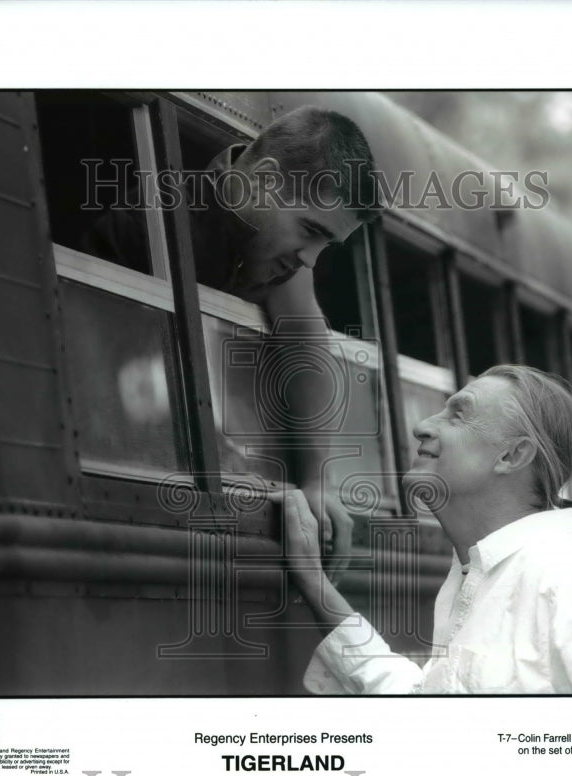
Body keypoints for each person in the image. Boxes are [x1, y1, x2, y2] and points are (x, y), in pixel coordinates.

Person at [83, 106, 382, 578]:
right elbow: (114, 385)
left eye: (327, 246)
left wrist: (316, 479)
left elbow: (307, 346)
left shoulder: (271, 252)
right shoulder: (150, 224)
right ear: (262, 180)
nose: (309, 260)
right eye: (310, 230)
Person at [283, 364, 572, 694]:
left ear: (512, 455)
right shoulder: (484, 572)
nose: (423, 425)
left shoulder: (560, 571)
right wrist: (317, 588)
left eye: (458, 414)